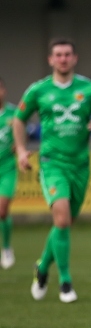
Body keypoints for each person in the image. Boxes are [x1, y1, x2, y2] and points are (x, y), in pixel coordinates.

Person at [13, 37, 91, 303]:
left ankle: (42, 267)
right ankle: (65, 282)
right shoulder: (38, 90)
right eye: (58, 54)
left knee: (64, 225)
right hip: (52, 163)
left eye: (67, 54)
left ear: (75, 58)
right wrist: (21, 150)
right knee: (62, 219)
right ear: (50, 59)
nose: (63, 59)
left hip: (80, 166)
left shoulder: (89, 89)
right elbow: (18, 120)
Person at [0, 78, 17, 269]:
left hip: (7, 169)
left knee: (2, 210)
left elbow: (22, 134)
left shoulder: (13, 113)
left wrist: (19, 145)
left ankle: (6, 248)